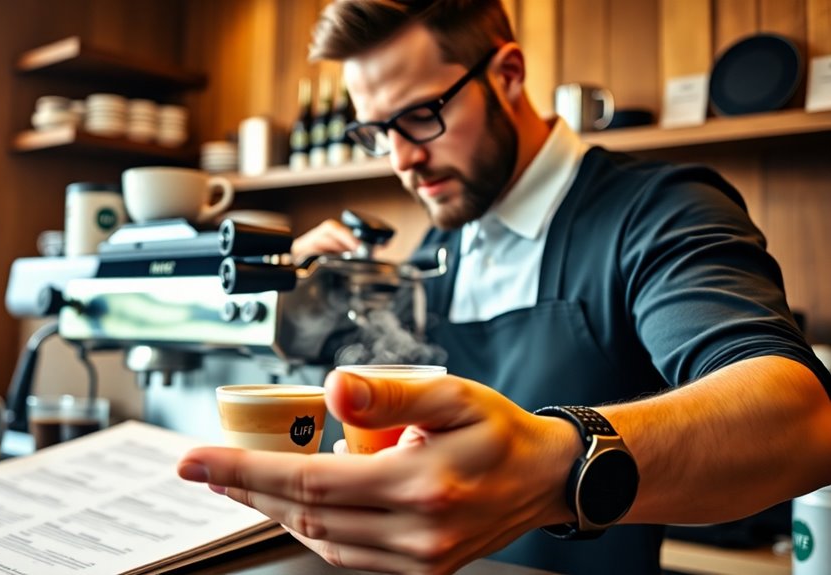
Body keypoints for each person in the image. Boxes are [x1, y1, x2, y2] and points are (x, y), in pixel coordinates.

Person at [178, 1, 831, 574]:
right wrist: (310, 314)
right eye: (377, 133)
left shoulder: (658, 211)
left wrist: (553, 469)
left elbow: (800, 420)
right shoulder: (439, 247)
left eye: (421, 114)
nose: (402, 158)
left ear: (509, 74)